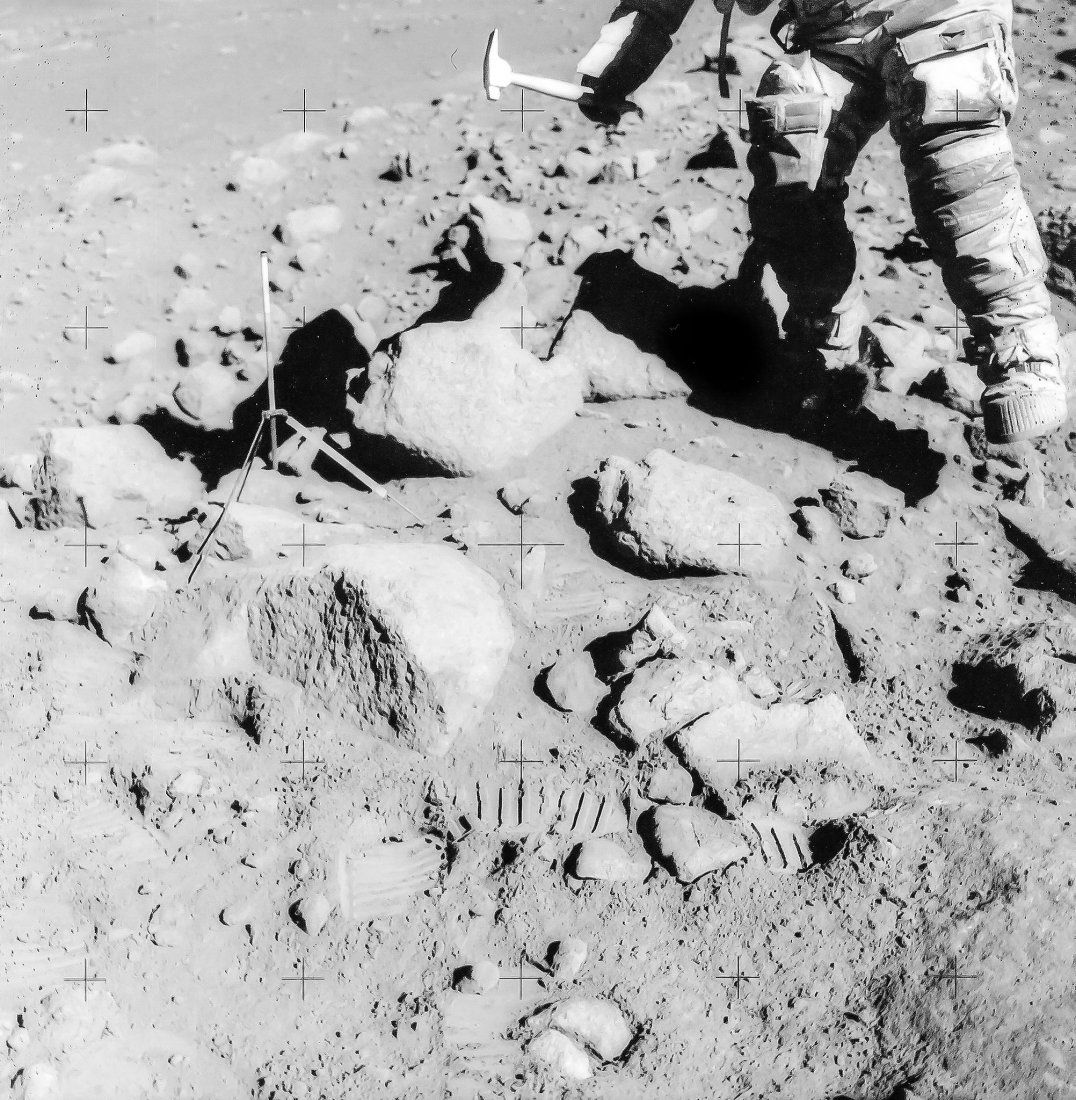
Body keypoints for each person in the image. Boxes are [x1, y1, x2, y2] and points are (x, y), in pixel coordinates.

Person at [574, 0, 1069, 444]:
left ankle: (1022, 355)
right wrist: (611, 76)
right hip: (833, 34)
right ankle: (827, 335)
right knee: (791, 169)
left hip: (941, 12)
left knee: (960, 173)